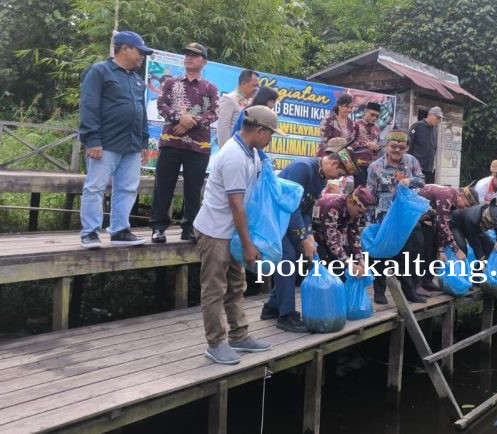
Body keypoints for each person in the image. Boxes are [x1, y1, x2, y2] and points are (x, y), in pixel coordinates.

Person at [192, 105, 282, 365]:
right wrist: (247, 244)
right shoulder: (233, 156)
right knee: (214, 289)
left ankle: (239, 336)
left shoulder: (251, 152)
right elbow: (236, 204)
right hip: (215, 232)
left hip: (230, 232)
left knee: (236, 285)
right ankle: (216, 343)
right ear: (259, 130)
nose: (270, 139)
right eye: (270, 134)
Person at [260, 151, 358, 332]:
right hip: (273, 217)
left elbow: (306, 208)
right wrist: (302, 238)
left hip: (288, 219)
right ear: (335, 165)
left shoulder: (321, 178)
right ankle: (285, 315)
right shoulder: (303, 168)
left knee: (297, 257)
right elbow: (292, 204)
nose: (338, 178)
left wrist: (309, 234)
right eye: (340, 174)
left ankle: (272, 307)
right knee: (288, 259)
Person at [78, 31, 153, 249]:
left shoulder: (137, 81)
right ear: (125, 49)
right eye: (140, 52)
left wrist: (144, 143)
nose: (142, 57)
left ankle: (120, 230)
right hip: (105, 143)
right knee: (95, 187)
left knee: (128, 188)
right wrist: (92, 138)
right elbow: (89, 105)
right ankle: (90, 232)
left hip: (131, 145)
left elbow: (141, 113)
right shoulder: (99, 71)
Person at [150, 42, 219, 244]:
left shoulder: (209, 87)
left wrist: (190, 122)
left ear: (204, 61)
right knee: (163, 186)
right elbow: (161, 105)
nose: (189, 57)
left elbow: (213, 112)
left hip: (198, 146)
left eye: (195, 55)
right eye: (187, 54)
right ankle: (158, 227)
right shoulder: (171, 83)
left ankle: (189, 228)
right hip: (171, 143)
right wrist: (180, 117)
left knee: (193, 188)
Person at [366, 130, 426, 304]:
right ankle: (379, 292)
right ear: (386, 146)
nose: (397, 150)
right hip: (384, 216)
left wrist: (410, 181)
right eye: (393, 146)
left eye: (401, 147)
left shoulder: (411, 161)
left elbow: (422, 180)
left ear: (406, 148)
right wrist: (370, 222)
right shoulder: (375, 167)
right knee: (380, 254)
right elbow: (370, 196)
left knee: (407, 254)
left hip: (405, 217)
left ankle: (409, 292)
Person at [417, 185, 479, 291]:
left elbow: (440, 226)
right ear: (462, 196)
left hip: (429, 218)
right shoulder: (447, 197)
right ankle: (416, 283)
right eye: (466, 205)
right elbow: (442, 225)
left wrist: (441, 249)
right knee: (424, 247)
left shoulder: (454, 202)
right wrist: (456, 249)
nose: (464, 208)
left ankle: (427, 280)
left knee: (434, 246)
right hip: (414, 215)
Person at [312, 186, 376, 277]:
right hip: (315, 233)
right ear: (350, 202)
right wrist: (350, 265)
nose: (360, 216)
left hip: (333, 231)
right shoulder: (333, 208)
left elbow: (354, 235)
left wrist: (360, 259)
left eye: (363, 213)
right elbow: (333, 242)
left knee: (347, 257)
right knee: (329, 267)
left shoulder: (354, 211)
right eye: (359, 212)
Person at [216, 69, 258, 147]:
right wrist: (226, 150)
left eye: (257, 86)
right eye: (254, 85)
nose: (256, 89)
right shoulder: (229, 98)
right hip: (233, 148)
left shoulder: (251, 102)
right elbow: (223, 127)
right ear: (243, 83)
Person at [408, 106, 442, 184]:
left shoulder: (435, 131)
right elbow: (409, 146)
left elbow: (434, 149)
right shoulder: (417, 126)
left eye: (439, 118)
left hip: (429, 169)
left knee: (427, 192)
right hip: (416, 167)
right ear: (429, 115)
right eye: (437, 117)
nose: (438, 120)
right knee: (416, 190)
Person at [352, 102, 382, 186]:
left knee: (369, 191)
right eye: (372, 114)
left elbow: (377, 146)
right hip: (358, 164)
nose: (374, 117)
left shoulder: (377, 129)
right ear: (365, 111)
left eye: (377, 116)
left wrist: (378, 147)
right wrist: (366, 144)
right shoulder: (356, 125)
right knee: (359, 190)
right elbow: (349, 143)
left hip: (372, 166)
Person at [474, 168, 497, 233]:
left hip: (492, 208)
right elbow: (477, 206)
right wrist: (493, 203)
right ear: (494, 177)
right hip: (477, 208)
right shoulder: (482, 186)